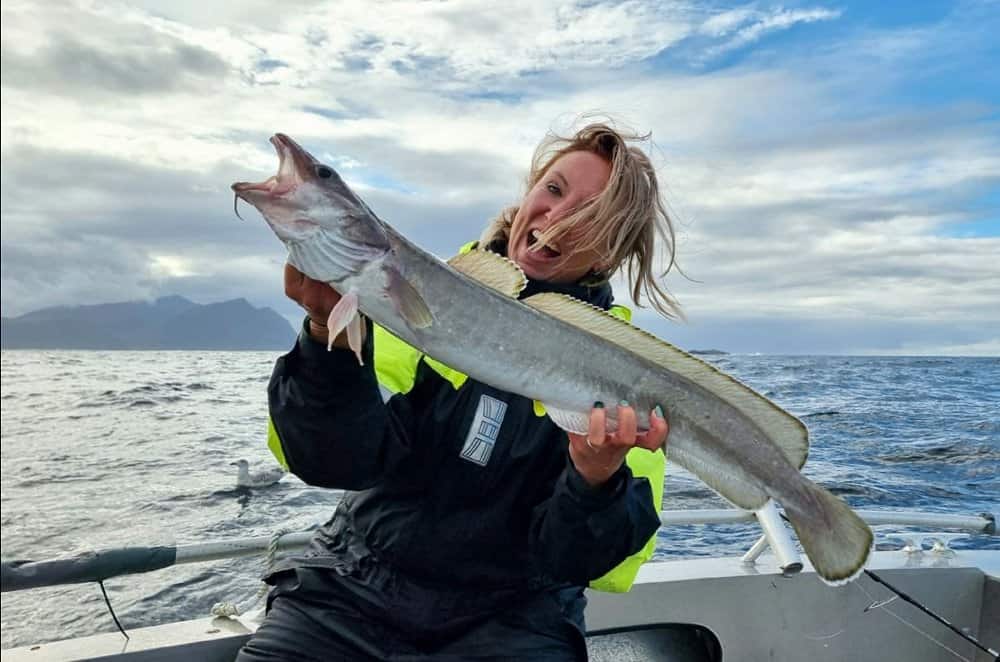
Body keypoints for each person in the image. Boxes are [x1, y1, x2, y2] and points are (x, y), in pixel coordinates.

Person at [237, 121, 682, 661]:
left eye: (590, 216)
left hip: (515, 619)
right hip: (352, 590)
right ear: (527, 195)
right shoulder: (411, 303)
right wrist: (327, 336)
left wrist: (596, 479)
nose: (557, 216)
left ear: (610, 252)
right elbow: (334, 463)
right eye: (554, 189)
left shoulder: (625, 376)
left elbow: (580, 561)